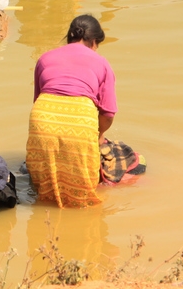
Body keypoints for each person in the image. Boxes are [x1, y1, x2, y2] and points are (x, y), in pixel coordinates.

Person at [25, 14, 117, 208]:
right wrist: (99, 136)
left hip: (43, 117)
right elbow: (108, 112)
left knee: (43, 185)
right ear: (93, 42)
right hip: (81, 118)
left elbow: (38, 100)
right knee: (85, 196)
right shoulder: (102, 63)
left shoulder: (44, 58)